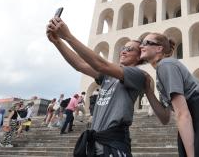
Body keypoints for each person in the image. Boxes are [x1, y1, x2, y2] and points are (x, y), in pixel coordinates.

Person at [46, 16, 145, 156]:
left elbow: (100, 64)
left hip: (113, 145)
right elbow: (79, 65)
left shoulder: (137, 74)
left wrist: (68, 36)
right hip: (96, 144)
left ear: (139, 57)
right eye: (123, 47)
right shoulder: (108, 75)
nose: (124, 51)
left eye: (130, 49)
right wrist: (57, 42)